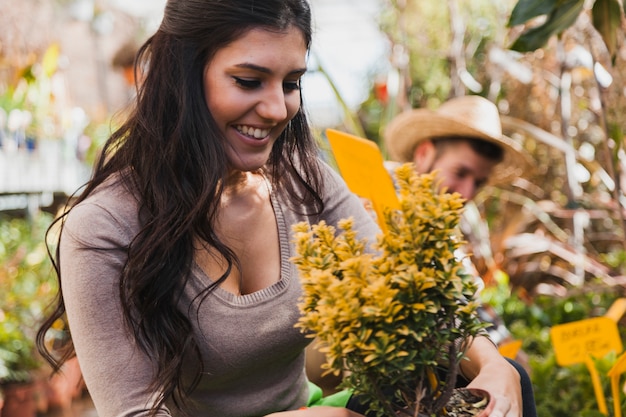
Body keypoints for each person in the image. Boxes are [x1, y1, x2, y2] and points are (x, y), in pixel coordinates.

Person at [36, 1, 524, 416]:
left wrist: (492, 364)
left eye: (291, 83)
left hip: (317, 407)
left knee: (508, 381)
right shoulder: (104, 226)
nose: (276, 108)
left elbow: (397, 288)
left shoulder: (302, 182)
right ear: (181, 76)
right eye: (249, 81)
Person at [383, 95, 537, 416]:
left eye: (478, 182)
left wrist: (505, 355)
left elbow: (470, 304)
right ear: (425, 153)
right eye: (460, 172)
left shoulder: (444, 227)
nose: (467, 193)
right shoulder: (378, 202)